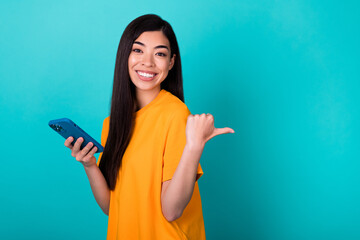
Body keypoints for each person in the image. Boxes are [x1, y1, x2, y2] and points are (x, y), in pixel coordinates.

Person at [64, 14, 234, 239]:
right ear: (125, 55)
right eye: (138, 50)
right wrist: (89, 165)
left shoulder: (175, 114)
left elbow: (172, 210)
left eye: (160, 53)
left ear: (171, 62)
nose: (148, 62)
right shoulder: (112, 124)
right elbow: (112, 208)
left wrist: (194, 147)